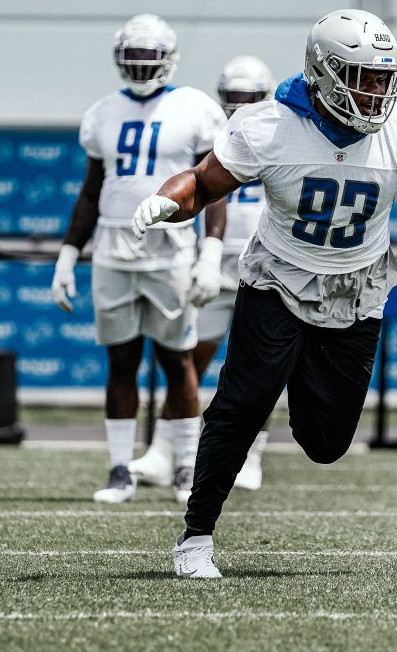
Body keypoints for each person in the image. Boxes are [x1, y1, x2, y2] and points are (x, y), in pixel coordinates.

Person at [131, 9, 397, 578]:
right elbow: (203, 183)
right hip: (278, 279)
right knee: (240, 408)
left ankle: (299, 370)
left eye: (384, 78)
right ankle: (195, 538)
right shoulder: (270, 127)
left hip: (356, 288)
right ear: (323, 74)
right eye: (363, 77)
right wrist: (166, 202)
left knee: (326, 443)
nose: (377, 91)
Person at [52, 13, 228, 504]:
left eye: (149, 58)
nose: (140, 66)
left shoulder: (194, 108)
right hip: (112, 248)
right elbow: (91, 192)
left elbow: (215, 189)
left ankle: (188, 468)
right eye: (132, 58)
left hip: (170, 251)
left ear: (169, 58)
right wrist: (69, 253)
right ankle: (119, 469)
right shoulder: (103, 112)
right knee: (120, 361)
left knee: (178, 361)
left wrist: (211, 251)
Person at [128, 55, 275, 492]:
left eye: (247, 98)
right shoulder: (219, 136)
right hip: (216, 264)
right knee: (189, 362)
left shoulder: (280, 136)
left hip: (263, 263)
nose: (238, 106)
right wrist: (204, 258)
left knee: (258, 369)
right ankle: (160, 451)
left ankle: (253, 454)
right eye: (231, 98)